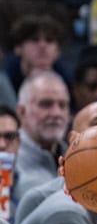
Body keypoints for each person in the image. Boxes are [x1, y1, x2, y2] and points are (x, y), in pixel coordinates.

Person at [14, 71, 70, 201]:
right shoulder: (8, 161)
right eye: (46, 104)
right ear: (22, 112)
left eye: (63, 105)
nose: (56, 113)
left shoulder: (77, 159)